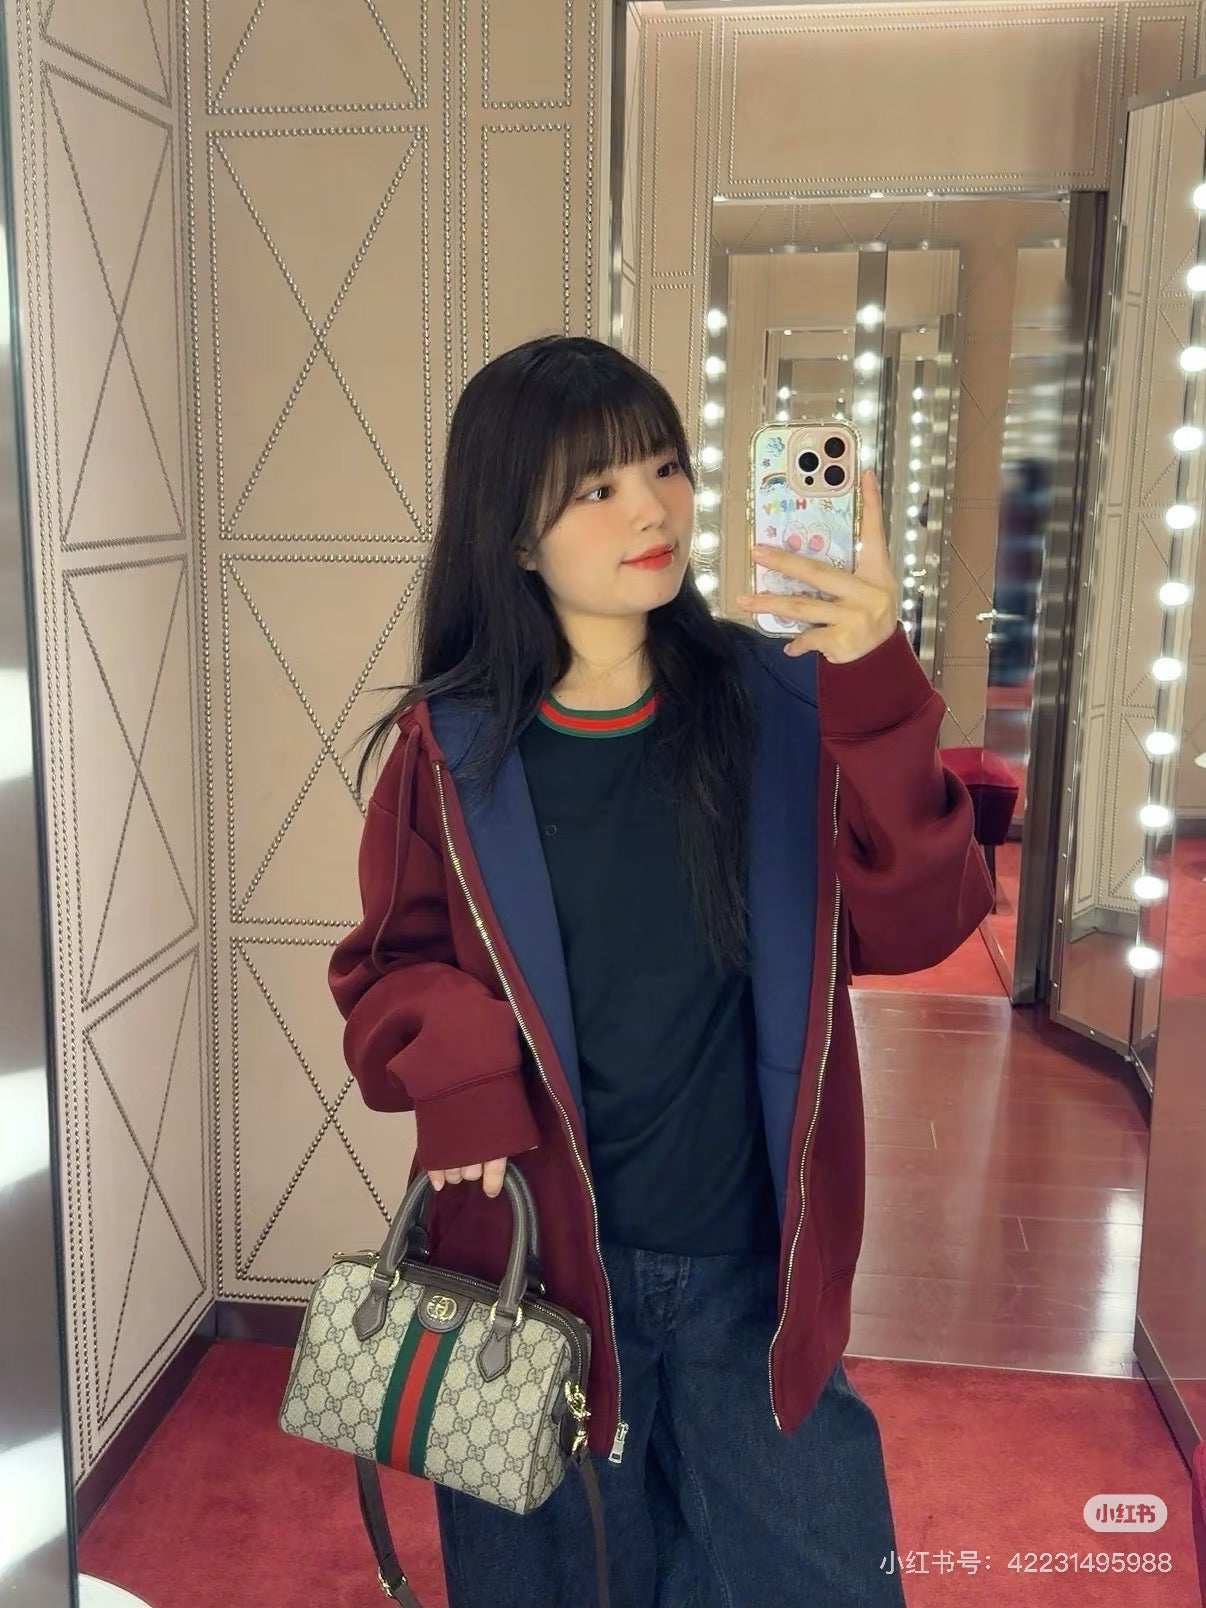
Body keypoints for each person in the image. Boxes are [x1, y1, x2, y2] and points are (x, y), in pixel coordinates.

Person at [329, 335, 994, 1607]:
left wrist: (874, 675)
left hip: (755, 1270)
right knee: (555, 1583)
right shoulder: (450, 752)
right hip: (537, 1275)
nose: (653, 509)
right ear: (512, 538)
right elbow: (388, 966)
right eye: (597, 487)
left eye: (666, 467)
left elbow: (924, 918)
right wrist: (460, 1082)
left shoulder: (782, 702)